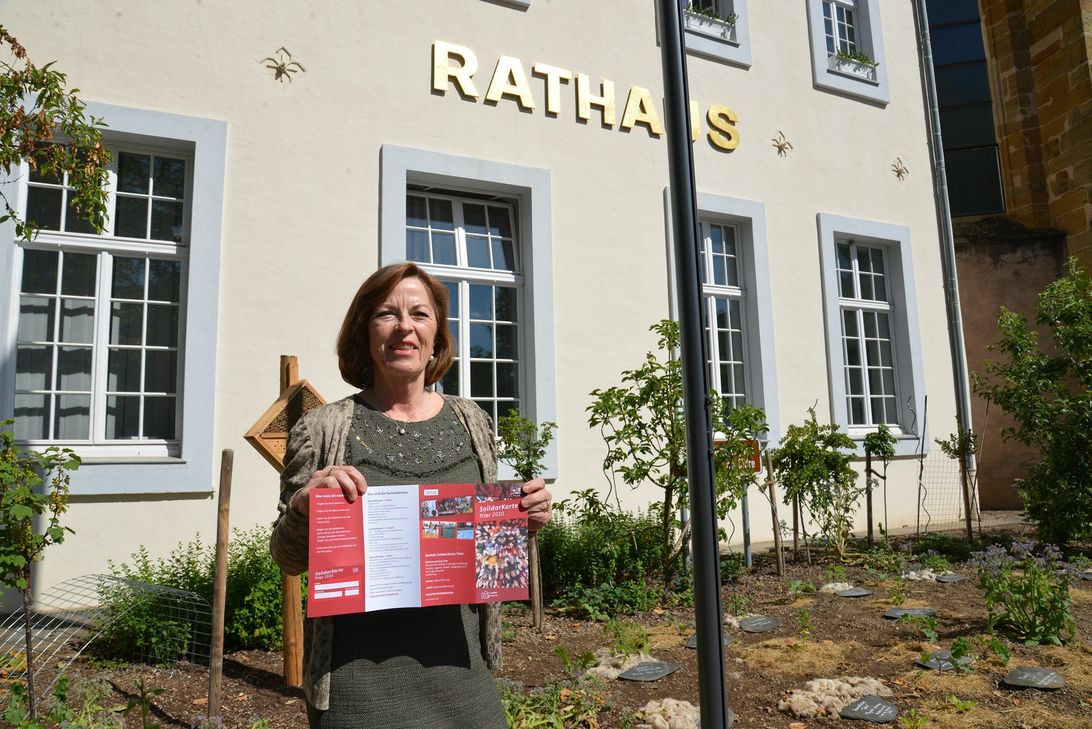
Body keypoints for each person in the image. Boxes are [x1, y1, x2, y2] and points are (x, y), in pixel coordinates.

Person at [269, 262, 553, 728]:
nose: (405, 327)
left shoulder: (472, 420)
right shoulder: (323, 428)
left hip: (463, 677)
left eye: (419, 315)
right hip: (358, 690)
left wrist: (522, 521)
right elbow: (288, 558)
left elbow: (480, 549)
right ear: (365, 330)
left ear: (437, 335)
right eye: (387, 313)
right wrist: (304, 507)